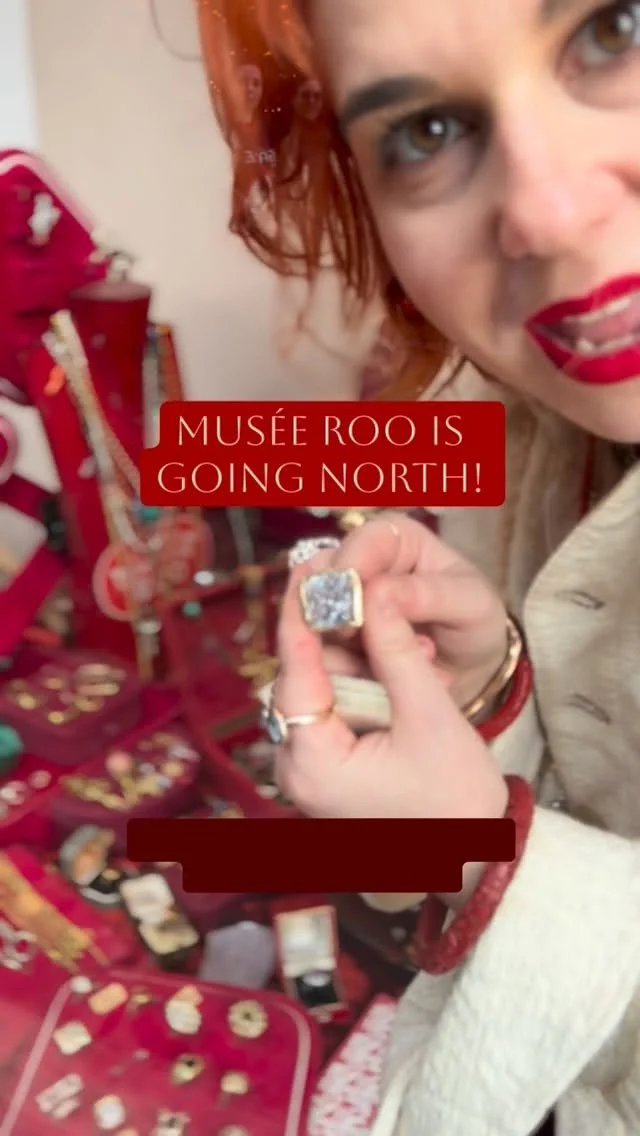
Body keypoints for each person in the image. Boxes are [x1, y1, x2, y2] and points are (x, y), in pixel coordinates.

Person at [198, 1, 640, 1133]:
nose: (546, 212)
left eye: (617, 30)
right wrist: (492, 691)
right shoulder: (523, 409)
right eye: (426, 131)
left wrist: (489, 855)